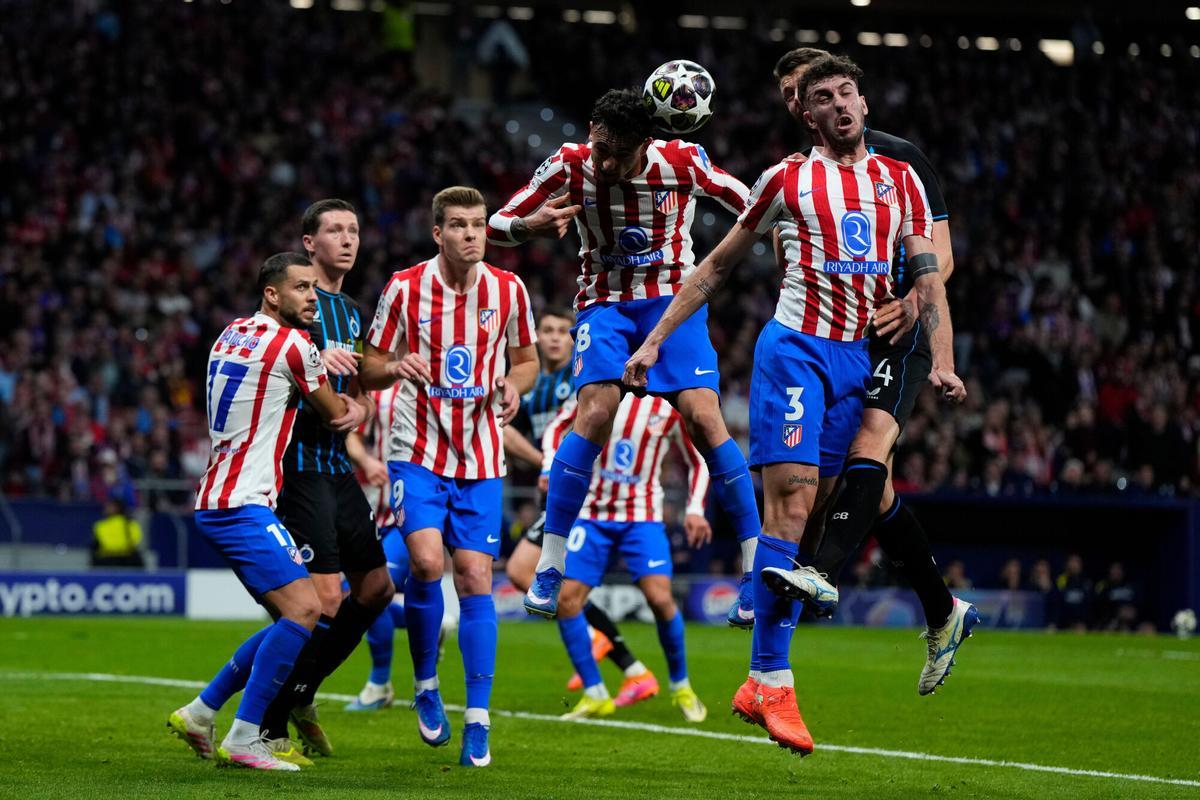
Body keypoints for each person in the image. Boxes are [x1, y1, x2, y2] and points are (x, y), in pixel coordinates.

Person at [623, 55, 965, 755]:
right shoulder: (785, 178)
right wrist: (656, 339)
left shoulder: (900, 179)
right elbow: (717, 263)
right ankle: (771, 679)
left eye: (847, 93)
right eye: (823, 99)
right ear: (805, 114)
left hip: (858, 356)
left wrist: (946, 362)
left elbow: (930, 279)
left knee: (841, 496)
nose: (839, 105)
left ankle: (790, 658)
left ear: (864, 102)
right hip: (797, 350)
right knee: (793, 499)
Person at [487, 89, 763, 627]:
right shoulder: (569, 164)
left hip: (673, 303)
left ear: (648, 144)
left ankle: (754, 570)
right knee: (593, 412)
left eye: (620, 154)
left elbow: (753, 204)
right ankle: (550, 565)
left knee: (706, 418)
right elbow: (497, 222)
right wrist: (528, 226)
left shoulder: (683, 162)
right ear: (590, 131)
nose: (607, 163)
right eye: (600, 149)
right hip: (604, 305)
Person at [766, 46, 978, 698]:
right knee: (865, 485)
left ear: (853, 97)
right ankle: (943, 610)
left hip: (900, 328)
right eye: (797, 96)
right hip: (841, 335)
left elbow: (937, 258)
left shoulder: (898, 160)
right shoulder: (801, 175)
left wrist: (912, 306)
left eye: (820, 90)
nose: (810, 104)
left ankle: (813, 570)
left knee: (869, 451)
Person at [361, 185, 539, 768]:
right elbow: (369, 365)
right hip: (416, 450)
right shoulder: (405, 287)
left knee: (473, 577)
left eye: (479, 224)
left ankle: (479, 718)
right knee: (427, 564)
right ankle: (424, 683)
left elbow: (528, 360)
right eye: (459, 225)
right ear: (437, 233)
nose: (472, 234)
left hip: (482, 457)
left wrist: (517, 385)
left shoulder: (508, 289)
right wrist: (394, 365)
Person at [168, 252, 351, 771]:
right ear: (273, 294)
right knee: (307, 609)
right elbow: (335, 414)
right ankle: (246, 736)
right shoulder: (295, 344)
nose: (313, 297)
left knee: (290, 614)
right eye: (301, 288)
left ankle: (201, 712)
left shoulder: (230, 332)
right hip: (242, 502)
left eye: (314, 288)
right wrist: (355, 402)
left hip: (218, 494)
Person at [260, 199, 395, 762]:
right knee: (323, 601)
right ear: (309, 243)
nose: (347, 239)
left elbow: (359, 395)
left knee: (376, 589)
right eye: (334, 230)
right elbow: (275, 369)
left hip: (338, 467)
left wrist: (360, 412)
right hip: (296, 468)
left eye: (354, 230)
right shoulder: (293, 303)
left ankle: (301, 693)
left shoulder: (351, 312)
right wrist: (322, 365)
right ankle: (266, 724)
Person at [544, 393, 711, 721]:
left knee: (661, 599)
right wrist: (551, 465)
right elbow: (555, 427)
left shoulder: (670, 404)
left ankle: (681, 686)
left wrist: (694, 509)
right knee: (566, 600)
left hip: (642, 516)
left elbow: (699, 459)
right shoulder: (599, 390)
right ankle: (595, 693)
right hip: (592, 514)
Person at [503, 308, 642, 688]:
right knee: (530, 577)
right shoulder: (538, 386)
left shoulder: (582, 374)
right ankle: (625, 664)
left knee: (543, 579)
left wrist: (555, 465)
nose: (552, 338)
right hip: (555, 481)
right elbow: (505, 430)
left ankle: (612, 663)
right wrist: (544, 462)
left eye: (562, 331)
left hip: (586, 487)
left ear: (574, 338)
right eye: (545, 330)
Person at [90, 497, 144, 568]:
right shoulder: (100, 525)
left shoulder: (130, 524)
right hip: (113, 560)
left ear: (117, 508)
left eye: (109, 506)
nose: (106, 508)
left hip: (119, 560)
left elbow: (135, 540)